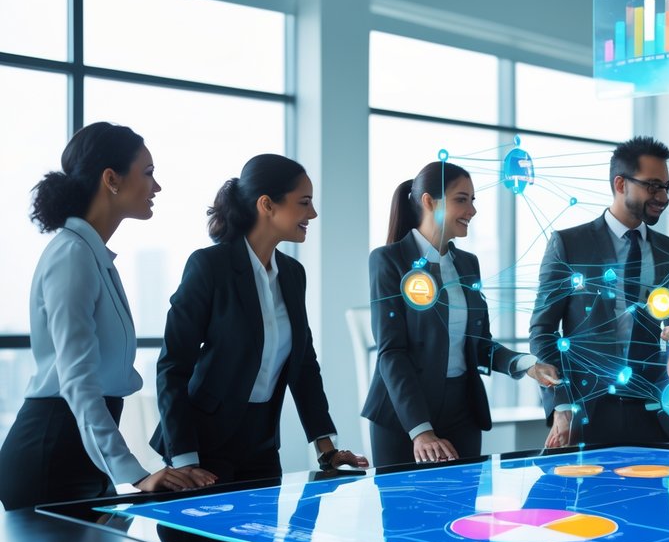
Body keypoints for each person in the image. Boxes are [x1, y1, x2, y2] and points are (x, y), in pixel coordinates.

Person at [0, 123, 215, 510]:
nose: (157, 186)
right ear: (111, 179)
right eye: (148, 173)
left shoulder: (90, 254)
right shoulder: (73, 255)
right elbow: (79, 384)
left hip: (81, 453)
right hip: (51, 455)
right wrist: (134, 474)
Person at [153, 154, 366, 483]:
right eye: (304, 202)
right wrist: (184, 459)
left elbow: (304, 365)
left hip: (262, 445)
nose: (313, 213)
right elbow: (173, 366)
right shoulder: (209, 267)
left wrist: (327, 449)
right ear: (267, 205)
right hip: (202, 446)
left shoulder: (293, 274)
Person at [362, 161, 559, 465]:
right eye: (461, 199)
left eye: (473, 200)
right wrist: (421, 431)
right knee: (404, 512)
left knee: (463, 510)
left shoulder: (468, 264)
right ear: (429, 201)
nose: (472, 210)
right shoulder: (389, 260)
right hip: (403, 418)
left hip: (462, 414)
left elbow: (479, 345)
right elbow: (391, 352)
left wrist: (529, 366)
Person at [530, 136, 669, 448]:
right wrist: (562, 407)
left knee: (652, 497)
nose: (663, 196)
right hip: (585, 413)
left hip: (652, 414)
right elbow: (543, 331)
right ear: (621, 184)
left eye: (666, 187)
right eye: (653, 186)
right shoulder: (569, 245)